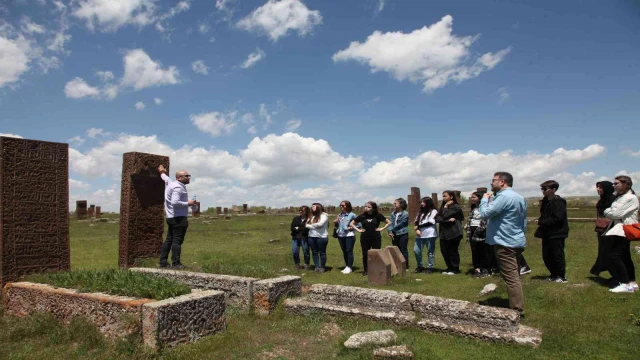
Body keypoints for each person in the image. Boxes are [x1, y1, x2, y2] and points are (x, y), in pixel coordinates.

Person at [479, 172, 527, 315]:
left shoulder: (504, 197)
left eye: (493, 180)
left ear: (502, 182)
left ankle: (516, 309)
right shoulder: (519, 197)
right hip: (516, 239)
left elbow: (485, 214)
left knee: (511, 277)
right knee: (515, 274)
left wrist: (483, 201)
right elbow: (523, 220)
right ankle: (516, 304)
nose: (491, 183)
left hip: (504, 241)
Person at [157, 164, 198, 269]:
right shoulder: (178, 187)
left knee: (169, 240)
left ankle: (163, 262)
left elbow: (165, 178)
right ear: (179, 178)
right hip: (178, 218)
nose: (189, 178)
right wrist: (188, 203)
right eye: (186, 176)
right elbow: (175, 202)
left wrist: (162, 172)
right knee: (177, 241)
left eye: (189, 176)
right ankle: (176, 263)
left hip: (171, 217)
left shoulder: (171, 183)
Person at [603, 175, 639, 293]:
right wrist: (610, 211)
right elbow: (613, 212)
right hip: (618, 229)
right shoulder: (619, 197)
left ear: (626, 185)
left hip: (623, 230)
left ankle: (625, 284)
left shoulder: (630, 198)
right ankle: (632, 282)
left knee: (615, 256)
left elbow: (615, 214)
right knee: (625, 257)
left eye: (616, 183)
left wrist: (607, 211)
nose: (613, 185)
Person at [535, 180, 569, 283]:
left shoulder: (559, 201)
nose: (543, 191)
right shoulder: (545, 201)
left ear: (553, 189)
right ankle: (553, 274)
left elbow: (558, 218)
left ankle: (561, 276)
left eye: (545, 189)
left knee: (557, 254)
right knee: (547, 255)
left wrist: (541, 222)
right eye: (542, 189)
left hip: (557, 233)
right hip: (547, 232)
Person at [350, 201, 391, 275]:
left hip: (376, 237)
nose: (366, 208)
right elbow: (352, 223)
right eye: (365, 206)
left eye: (369, 207)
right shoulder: (362, 216)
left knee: (377, 254)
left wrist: (381, 229)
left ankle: (377, 269)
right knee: (365, 254)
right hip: (365, 238)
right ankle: (366, 270)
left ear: (373, 208)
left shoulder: (378, 215)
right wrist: (359, 230)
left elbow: (388, 222)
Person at [590, 181, 616, 277]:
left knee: (610, 250)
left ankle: (615, 274)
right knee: (603, 249)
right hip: (601, 228)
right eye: (597, 187)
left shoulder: (613, 199)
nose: (598, 189)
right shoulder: (602, 200)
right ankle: (601, 268)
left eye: (600, 187)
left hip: (611, 228)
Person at [465, 191, 492, 278]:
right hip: (472, 229)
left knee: (484, 249)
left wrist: (481, 228)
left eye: (474, 197)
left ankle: (486, 268)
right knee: (475, 249)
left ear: (479, 198)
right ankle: (477, 268)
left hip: (482, 229)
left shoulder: (486, 207)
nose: (472, 199)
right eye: (471, 197)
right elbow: (470, 218)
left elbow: (486, 218)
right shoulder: (473, 208)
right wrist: (467, 225)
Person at [438, 191, 464, 275]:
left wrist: (446, 207)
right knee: (444, 250)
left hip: (454, 232)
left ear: (451, 197)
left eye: (445, 196)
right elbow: (437, 218)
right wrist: (446, 220)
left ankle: (455, 269)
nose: (443, 198)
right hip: (443, 232)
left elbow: (444, 215)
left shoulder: (456, 207)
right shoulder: (442, 207)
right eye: (443, 196)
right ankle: (449, 267)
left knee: (453, 251)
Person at [414, 197, 439, 274]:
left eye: (423, 202)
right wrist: (417, 229)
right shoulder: (420, 212)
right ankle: (420, 266)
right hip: (420, 235)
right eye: (421, 202)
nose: (422, 204)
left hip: (430, 234)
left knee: (430, 252)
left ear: (428, 203)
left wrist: (418, 227)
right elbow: (416, 221)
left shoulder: (434, 211)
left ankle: (430, 267)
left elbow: (431, 222)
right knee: (416, 251)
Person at [334, 200, 357, 274]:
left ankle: (350, 267)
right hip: (340, 235)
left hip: (349, 235)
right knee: (344, 252)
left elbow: (359, 224)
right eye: (340, 205)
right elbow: (339, 224)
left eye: (343, 205)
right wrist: (336, 222)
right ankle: (347, 266)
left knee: (349, 251)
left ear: (347, 206)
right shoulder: (340, 215)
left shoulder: (352, 215)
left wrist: (350, 228)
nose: (341, 207)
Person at [306, 203, 329, 273]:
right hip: (311, 236)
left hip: (321, 237)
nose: (312, 207)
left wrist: (310, 225)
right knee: (314, 252)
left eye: (313, 206)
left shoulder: (324, 215)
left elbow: (320, 224)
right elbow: (307, 224)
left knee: (322, 252)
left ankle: (322, 267)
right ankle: (317, 267)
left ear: (318, 207)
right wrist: (312, 225)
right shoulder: (312, 216)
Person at [388, 198, 410, 269]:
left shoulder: (405, 214)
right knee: (395, 250)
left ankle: (405, 266)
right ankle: (397, 264)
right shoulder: (393, 213)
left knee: (403, 250)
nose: (394, 205)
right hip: (394, 234)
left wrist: (392, 229)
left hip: (403, 234)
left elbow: (401, 224)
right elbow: (391, 223)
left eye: (395, 203)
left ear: (401, 204)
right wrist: (390, 231)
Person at [290, 206, 311, 270]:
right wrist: (302, 228)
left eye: (302, 211)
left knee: (306, 252)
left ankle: (306, 264)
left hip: (304, 237)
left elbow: (307, 229)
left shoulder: (309, 219)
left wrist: (298, 228)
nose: (300, 212)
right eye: (300, 210)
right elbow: (292, 228)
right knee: (295, 251)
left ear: (306, 212)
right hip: (295, 237)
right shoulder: (296, 218)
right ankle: (297, 264)